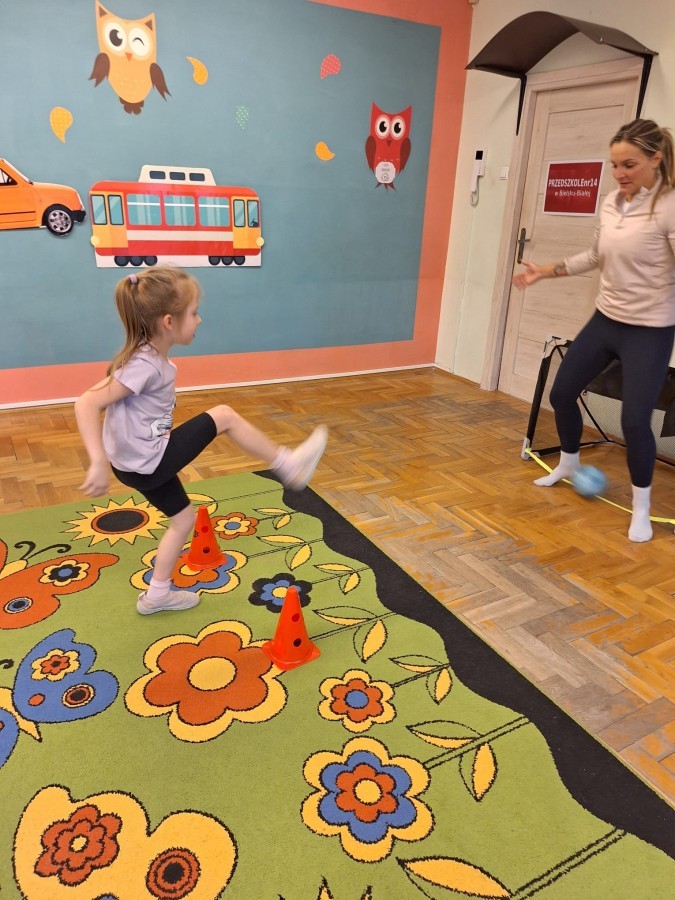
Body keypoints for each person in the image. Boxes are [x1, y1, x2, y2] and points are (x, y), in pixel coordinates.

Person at [75, 267, 328, 613]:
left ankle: (157, 595)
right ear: (168, 322)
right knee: (223, 415)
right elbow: (87, 403)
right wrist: (96, 461)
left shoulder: (145, 358)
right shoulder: (144, 365)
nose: (199, 320)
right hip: (150, 462)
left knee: (183, 521)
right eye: (194, 313)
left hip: (135, 465)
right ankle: (289, 465)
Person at [513, 118, 675, 542]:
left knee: (634, 421)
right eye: (615, 165)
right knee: (561, 393)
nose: (620, 173)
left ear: (655, 159)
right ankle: (568, 463)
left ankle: (641, 509)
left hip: (650, 330)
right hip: (606, 320)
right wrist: (546, 270)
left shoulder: (669, 206)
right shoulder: (612, 202)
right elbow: (596, 255)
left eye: (629, 165)